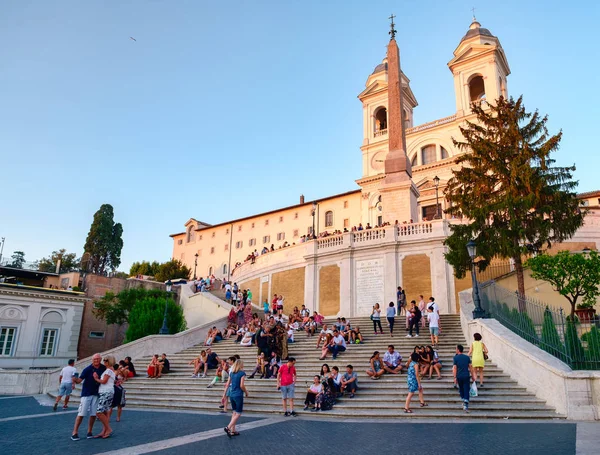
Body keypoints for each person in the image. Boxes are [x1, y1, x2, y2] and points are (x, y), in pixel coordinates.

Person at [71, 353, 106, 441]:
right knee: (81, 413)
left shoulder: (103, 368)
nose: (96, 360)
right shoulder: (87, 369)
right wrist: (74, 380)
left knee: (93, 414)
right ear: (92, 360)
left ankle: (89, 431)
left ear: (100, 359)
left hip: (96, 394)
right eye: (95, 359)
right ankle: (74, 432)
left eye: (98, 359)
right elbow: (79, 380)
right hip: (86, 393)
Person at [223, 359, 249, 437]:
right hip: (238, 394)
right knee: (238, 413)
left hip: (232, 394)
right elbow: (241, 385)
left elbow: (227, 384)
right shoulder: (242, 373)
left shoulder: (232, 373)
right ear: (241, 365)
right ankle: (228, 427)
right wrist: (246, 392)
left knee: (234, 412)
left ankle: (233, 430)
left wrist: (224, 394)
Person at [92, 357, 117, 438]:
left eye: (106, 360)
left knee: (99, 412)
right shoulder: (109, 370)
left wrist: (96, 378)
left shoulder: (109, 370)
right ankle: (104, 431)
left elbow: (104, 381)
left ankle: (108, 429)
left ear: (109, 361)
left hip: (106, 392)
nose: (104, 362)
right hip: (107, 392)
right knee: (105, 412)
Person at [453, 344, 474, 412]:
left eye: (456, 349)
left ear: (458, 350)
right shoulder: (467, 357)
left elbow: (455, 368)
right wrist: (473, 375)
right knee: (466, 388)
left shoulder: (455, 358)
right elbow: (470, 367)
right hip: (466, 375)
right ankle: (465, 402)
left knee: (461, 389)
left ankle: (464, 401)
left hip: (459, 376)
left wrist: (455, 377)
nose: (455, 350)